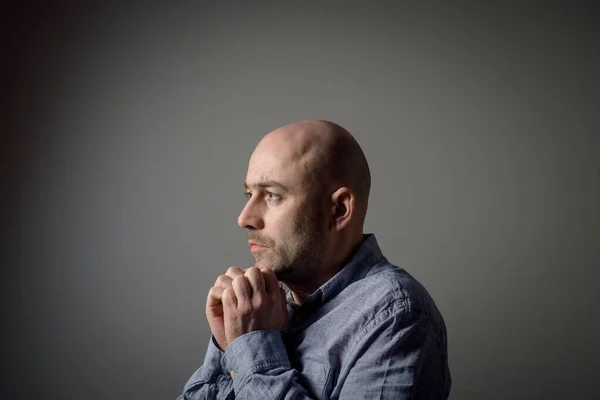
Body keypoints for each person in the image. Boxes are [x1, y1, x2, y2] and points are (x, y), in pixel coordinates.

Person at [177, 120, 451, 399]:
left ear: (338, 210)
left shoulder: (397, 314)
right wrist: (229, 347)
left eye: (272, 195)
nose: (244, 218)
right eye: (249, 194)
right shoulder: (263, 310)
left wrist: (252, 347)